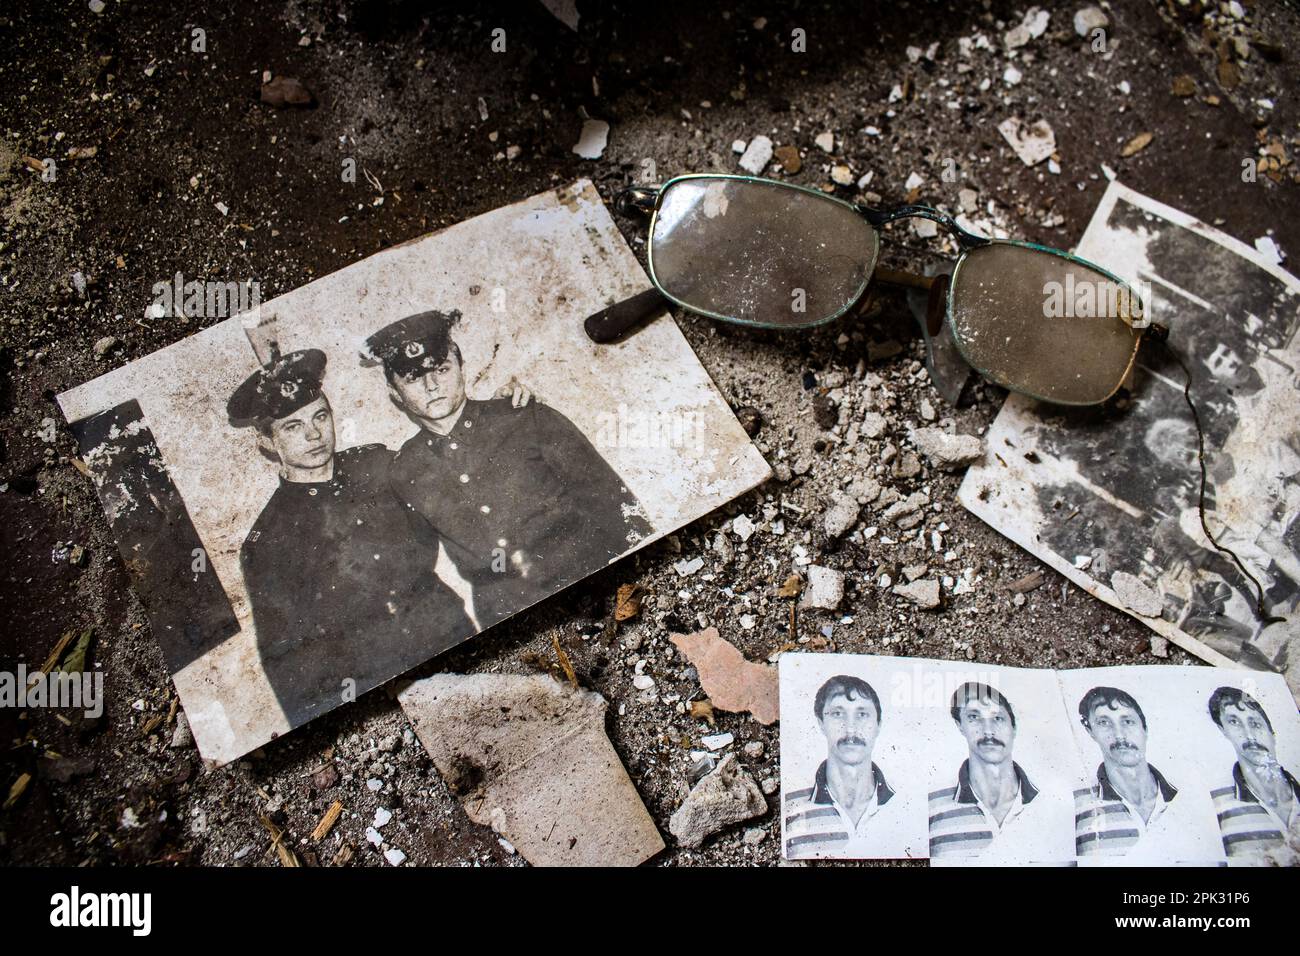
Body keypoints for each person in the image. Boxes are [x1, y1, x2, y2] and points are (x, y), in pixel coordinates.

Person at [228, 348, 474, 725]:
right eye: (292, 427)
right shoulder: (267, 543)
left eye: (320, 417)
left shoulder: (377, 465)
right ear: (266, 442)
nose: (314, 435)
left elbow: (454, 471)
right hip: (379, 686)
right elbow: (289, 664)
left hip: (453, 636)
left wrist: (492, 410)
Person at [363, 310, 652, 627]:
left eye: (442, 369)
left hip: (593, 578)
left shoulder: (524, 418)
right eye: (414, 378)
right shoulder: (404, 472)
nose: (432, 385)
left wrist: (642, 577)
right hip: (507, 613)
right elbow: (413, 567)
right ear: (395, 394)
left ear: (461, 367)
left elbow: (612, 501)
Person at [1074, 686, 1199, 860]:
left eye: (1127, 721)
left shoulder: (1190, 800)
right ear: (1090, 732)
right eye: (1104, 722)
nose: (1120, 735)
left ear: (1145, 729)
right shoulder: (1077, 808)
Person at [783, 675, 902, 859]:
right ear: (821, 723)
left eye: (862, 714)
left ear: (878, 725)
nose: (851, 729)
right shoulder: (792, 809)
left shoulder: (904, 805)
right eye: (838, 713)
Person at [928, 682, 1048, 862]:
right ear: (959, 725)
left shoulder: (1049, 802)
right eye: (974, 717)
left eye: (998, 718)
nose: (989, 731)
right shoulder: (932, 808)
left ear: (1014, 727)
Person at [1207, 686, 1300, 864]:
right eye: (1234, 722)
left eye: (1255, 724)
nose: (1250, 736)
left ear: (1273, 734)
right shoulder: (1216, 808)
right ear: (1223, 730)